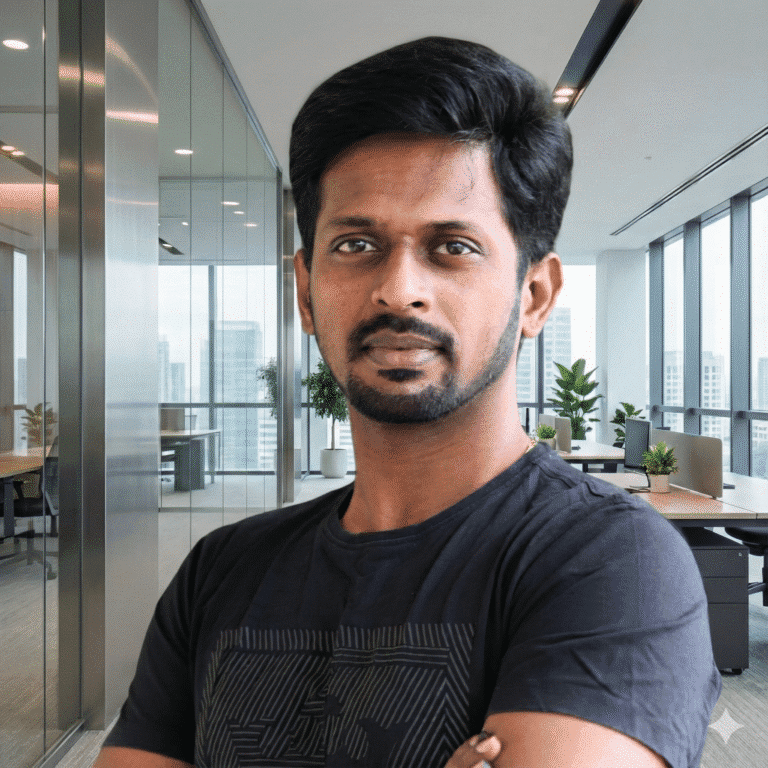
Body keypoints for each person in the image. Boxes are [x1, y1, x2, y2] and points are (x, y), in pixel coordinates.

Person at [96, 37, 720, 768]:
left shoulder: (609, 564)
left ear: (535, 294)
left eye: (452, 247)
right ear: (305, 290)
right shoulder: (221, 572)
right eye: (356, 245)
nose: (398, 290)